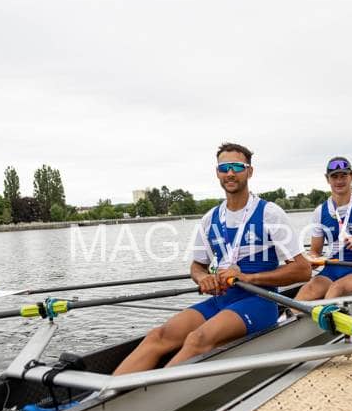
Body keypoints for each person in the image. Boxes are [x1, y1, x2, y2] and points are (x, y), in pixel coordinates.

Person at [113, 143, 311, 375]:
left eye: (237, 167)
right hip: (221, 300)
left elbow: (303, 270)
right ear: (217, 173)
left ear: (249, 171)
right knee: (158, 335)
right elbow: (197, 266)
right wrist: (202, 278)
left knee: (197, 339)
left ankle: (149, 392)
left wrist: (248, 277)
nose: (230, 173)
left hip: (259, 301)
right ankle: (107, 392)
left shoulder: (270, 213)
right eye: (224, 168)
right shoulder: (210, 218)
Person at [294, 156, 352, 302]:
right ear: (327, 179)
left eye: (343, 176)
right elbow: (315, 251)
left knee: (336, 289)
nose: (339, 181)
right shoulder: (320, 211)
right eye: (334, 176)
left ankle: (324, 313)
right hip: (331, 268)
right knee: (307, 290)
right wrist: (310, 259)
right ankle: (289, 316)